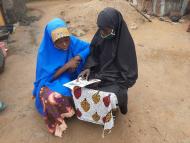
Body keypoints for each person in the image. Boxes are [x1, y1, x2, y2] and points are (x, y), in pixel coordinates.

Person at [33, 18, 90, 136]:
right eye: (59, 42)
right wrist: (66, 66)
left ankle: (69, 108)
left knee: (79, 89)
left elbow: (89, 47)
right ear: (51, 41)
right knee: (51, 97)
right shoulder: (44, 53)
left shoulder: (72, 41)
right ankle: (61, 115)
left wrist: (77, 57)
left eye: (66, 39)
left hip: (69, 77)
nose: (65, 44)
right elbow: (46, 79)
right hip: (52, 81)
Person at [78, 7, 138, 115]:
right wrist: (88, 68)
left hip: (116, 79)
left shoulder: (125, 44)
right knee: (83, 84)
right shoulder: (100, 35)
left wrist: (103, 77)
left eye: (105, 30)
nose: (102, 32)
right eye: (100, 29)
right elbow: (93, 54)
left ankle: (115, 108)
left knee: (109, 95)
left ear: (115, 27)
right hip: (99, 73)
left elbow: (129, 75)